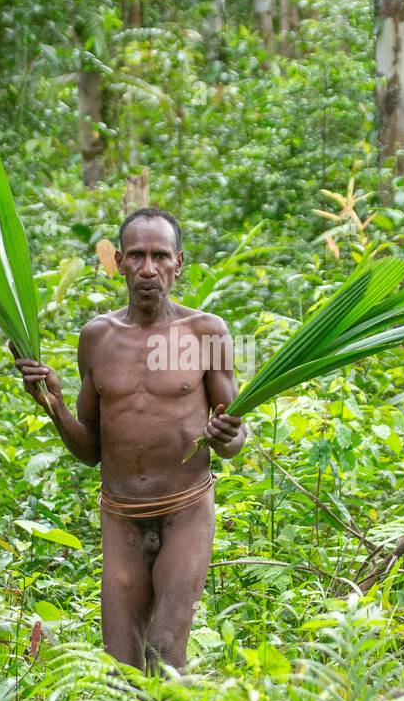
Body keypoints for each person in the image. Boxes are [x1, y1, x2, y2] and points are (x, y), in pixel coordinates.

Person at [13, 208, 245, 671]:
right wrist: (54, 405)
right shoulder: (96, 338)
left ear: (179, 263)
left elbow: (235, 436)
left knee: (165, 652)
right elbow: (90, 451)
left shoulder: (207, 331)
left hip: (185, 512)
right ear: (118, 262)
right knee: (121, 670)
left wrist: (227, 435)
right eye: (136, 255)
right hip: (120, 517)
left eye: (159, 256)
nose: (147, 268)